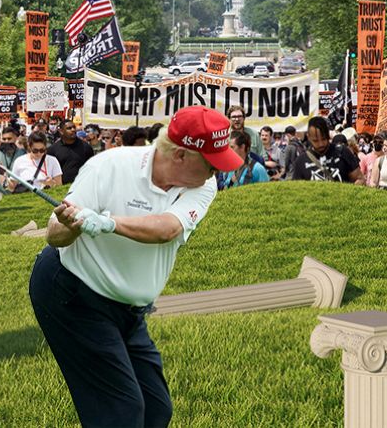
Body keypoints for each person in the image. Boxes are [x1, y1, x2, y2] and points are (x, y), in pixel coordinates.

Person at [29, 105, 243, 428]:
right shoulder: (108, 166)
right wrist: (71, 224)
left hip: (127, 309)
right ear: (181, 156)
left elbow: (167, 228)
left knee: (157, 409)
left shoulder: (203, 186)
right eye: (212, 164)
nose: (218, 172)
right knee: (121, 414)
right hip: (71, 292)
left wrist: (107, 223)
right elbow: (54, 236)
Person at [291, 117, 365, 184]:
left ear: (328, 135)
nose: (320, 144)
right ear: (309, 137)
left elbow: (360, 178)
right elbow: (297, 190)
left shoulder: (342, 152)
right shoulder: (301, 161)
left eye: (323, 139)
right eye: (315, 141)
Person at [47, 119, 95, 185]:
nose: (73, 130)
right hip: (61, 189)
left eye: (74, 127)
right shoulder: (53, 150)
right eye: (69, 128)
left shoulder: (86, 147)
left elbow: (91, 168)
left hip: (82, 186)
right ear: (61, 131)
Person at [0, 126, 26, 193]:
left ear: (16, 138)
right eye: (4, 139)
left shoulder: (23, 154)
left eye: (9, 139)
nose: (6, 142)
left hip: (18, 194)